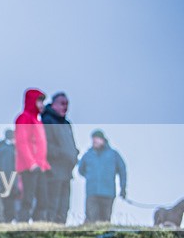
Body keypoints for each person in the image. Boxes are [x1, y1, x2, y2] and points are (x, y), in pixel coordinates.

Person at [41, 92, 79, 224]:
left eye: (67, 104)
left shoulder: (67, 124)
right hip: (53, 171)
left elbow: (70, 145)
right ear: (54, 104)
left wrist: (74, 154)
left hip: (67, 171)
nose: (65, 107)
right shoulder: (47, 121)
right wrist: (62, 153)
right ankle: (49, 232)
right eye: (62, 104)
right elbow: (44, 145)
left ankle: (60, 234)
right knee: (53, 204)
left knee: (64, 206)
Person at [15, 88, 50, 223]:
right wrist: (31, 163)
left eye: (42, 101)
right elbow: (22, 142)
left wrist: (43, 164)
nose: (41, 105)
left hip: (40, 166)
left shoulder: (37, 120)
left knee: (43, 200)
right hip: (29, 167)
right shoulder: (24, 118)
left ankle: (38, 226)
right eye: (39, 101)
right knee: (28, 199)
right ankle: (22, 225)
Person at [78, 129, 127, 223]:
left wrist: (123, 188)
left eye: (97, 139)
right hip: (92, 193)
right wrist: (90, 177)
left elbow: (122, 170)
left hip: (108, 193)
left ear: (103, 140)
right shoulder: (88, 155)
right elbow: (80, 170)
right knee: (91, 220)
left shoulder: (113, 155)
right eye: (93, 139)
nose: (94, 141)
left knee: (105, 221)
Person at [0, 129, 19, 223]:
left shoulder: (2, 149)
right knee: (9, 210)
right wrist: (12, 184)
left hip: (3, 183)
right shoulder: (8, 150)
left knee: (6, 208)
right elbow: (8, 168)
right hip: (8, 184)